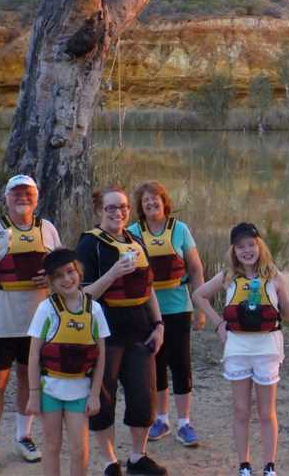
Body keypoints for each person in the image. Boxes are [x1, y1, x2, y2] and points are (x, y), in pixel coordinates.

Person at [0, 174, 62, 475]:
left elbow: (64, 272)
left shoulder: (47, 229)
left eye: (27, 193)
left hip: (37, 322)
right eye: (16, 193)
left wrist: (51, 277)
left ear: (37, 196)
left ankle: (23, 437)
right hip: (0, 322)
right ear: (6, 198)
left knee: (27, 379)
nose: (22, 197)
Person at [192, 222, 289, 476]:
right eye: (240, 246)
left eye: (251, 244)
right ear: (234, 250)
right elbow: (198, 295)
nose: (247, 250)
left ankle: (269, 466)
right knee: (241, 410)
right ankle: (244, 465)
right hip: (238, 350)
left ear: (259, 246)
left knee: (267, 412)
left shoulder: (274, 276)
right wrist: (219, 324)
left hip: (267, 349)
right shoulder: (227, 276)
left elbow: (288, 315)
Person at [77, 186, 167, 476]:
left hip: (140, 328)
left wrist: (159, 324)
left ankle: (138, 457)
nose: (118, 213)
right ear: (99, 210)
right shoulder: (89, 245)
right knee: (103, 396)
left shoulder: (136, 239)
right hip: (106, 331)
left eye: (124, 207)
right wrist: (113, 273)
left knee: (143, 395)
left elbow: (148, 288)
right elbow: (83, 296)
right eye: (111, 208)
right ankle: (109, 461)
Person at [127, 181, 205, 447]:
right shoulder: (132, 232)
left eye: (155, 199)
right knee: (155, 365)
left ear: (164, 202)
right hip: (147, 310)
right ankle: (162, 419)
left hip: (178, 306)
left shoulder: (180, 230)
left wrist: (201, 308)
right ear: (140, 206)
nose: (151, 204)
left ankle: (185, 422)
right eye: (145, 201)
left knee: (180, 364)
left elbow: (195, 269)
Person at [26, 248, 110, 476]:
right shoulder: (46, 309)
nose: (66, 279)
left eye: (70, 272)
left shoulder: (95, 309)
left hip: (80, 391)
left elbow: (101, 356)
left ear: (79, 272)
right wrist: (34, 394)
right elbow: (33, 355)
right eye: (58, 276)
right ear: (51, 282)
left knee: (79, 449)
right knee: (52, 445)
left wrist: (94, 394)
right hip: (50, 390)